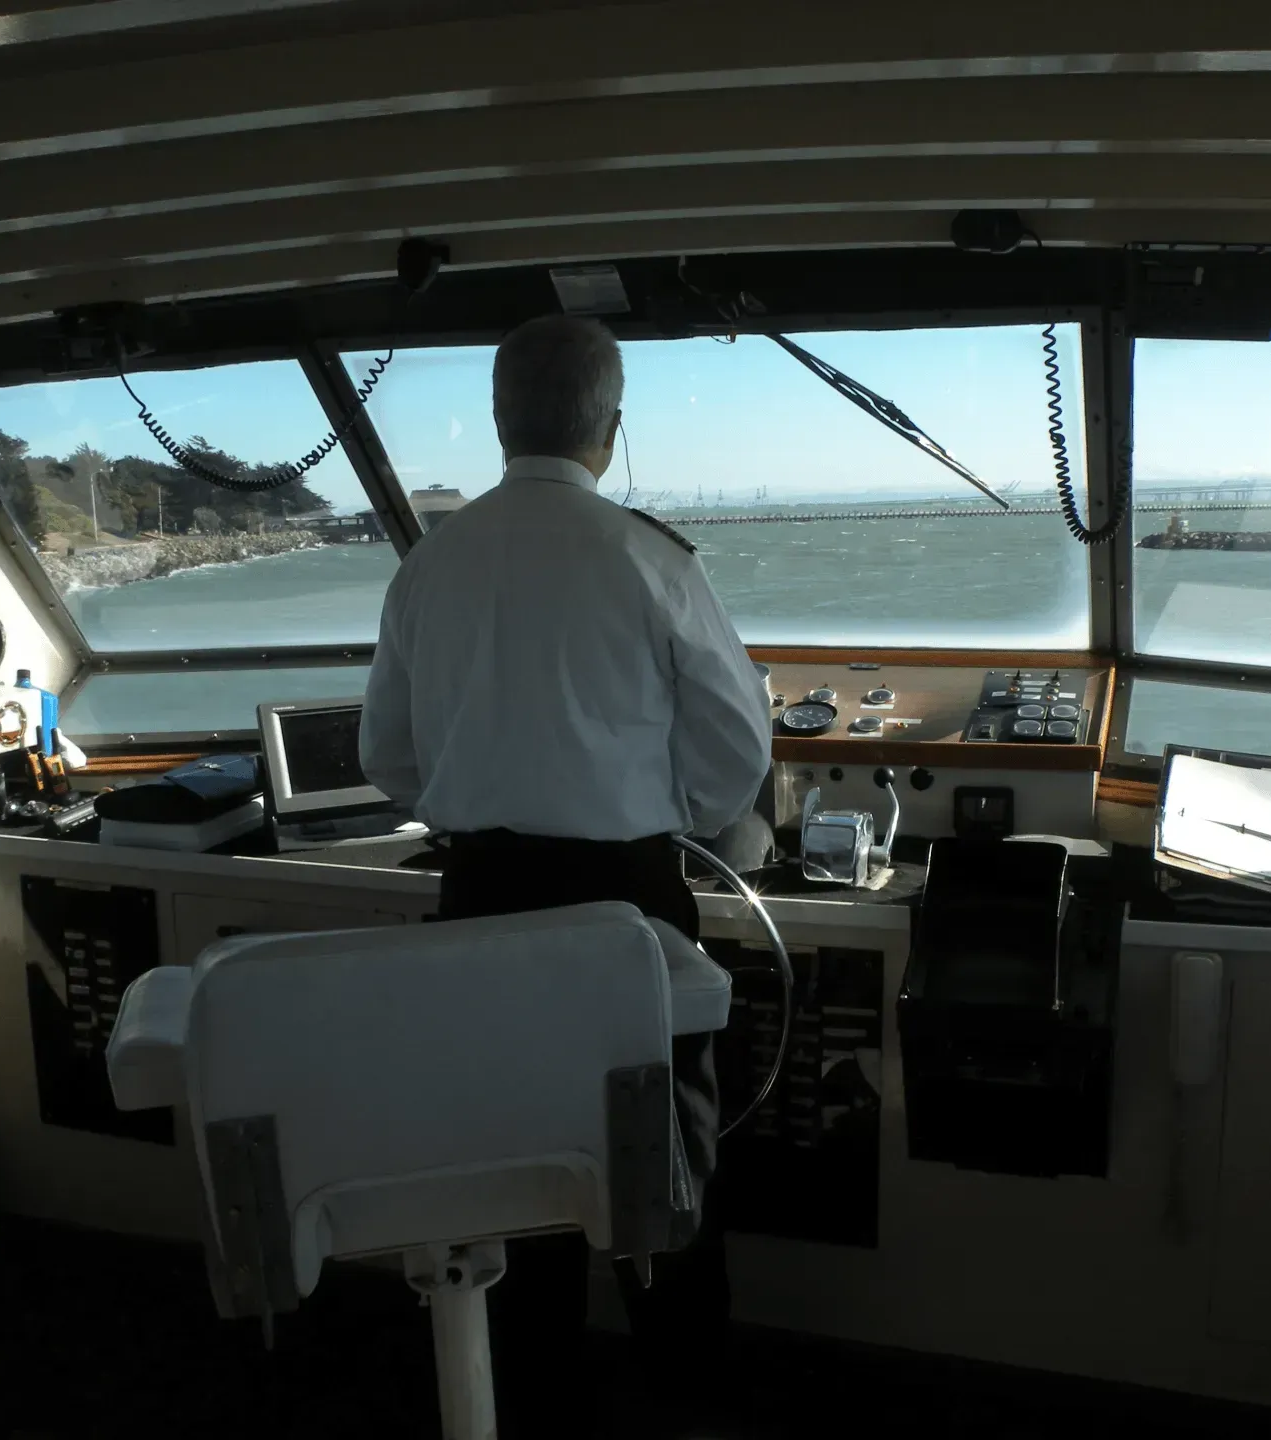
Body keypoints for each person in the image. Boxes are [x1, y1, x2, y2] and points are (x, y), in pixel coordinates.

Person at [358, 313, 772, 1432]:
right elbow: (740, 751)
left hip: (478, 899)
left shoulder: (428, 567)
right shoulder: (651, 560)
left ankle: (523, 1400)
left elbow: (384, 759)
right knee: (665, 1176)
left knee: (507, 1169)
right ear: (613, 427)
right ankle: (686, 1398)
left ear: (498, 423)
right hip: (628, 906)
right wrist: (665, 814)